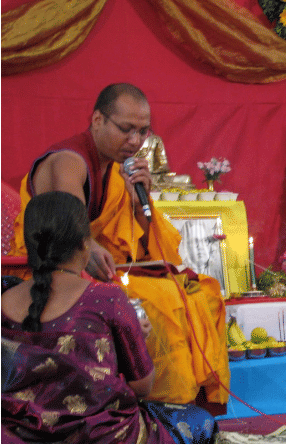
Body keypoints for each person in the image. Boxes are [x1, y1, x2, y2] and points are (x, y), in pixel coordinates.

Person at [9, 83, 230, 405]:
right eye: (126, 129)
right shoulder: (69, 161)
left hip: (96, 269)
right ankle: (161, 402)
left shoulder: (115, 169)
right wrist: (89, 246)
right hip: (51, 273)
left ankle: (189, 402)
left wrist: (139, 199)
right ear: (98, 119)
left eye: (143, 131)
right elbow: (71, 234)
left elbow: (140, 244)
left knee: (200, 292)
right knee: (163, 300)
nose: (136, 141)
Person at [2, 192, 218, 443]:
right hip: (101, 435)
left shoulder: (4, 298)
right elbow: (142, 386)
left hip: (19, 435)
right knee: (199, 421)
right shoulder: (106, 298)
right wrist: (135, 338)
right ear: (85, 244)